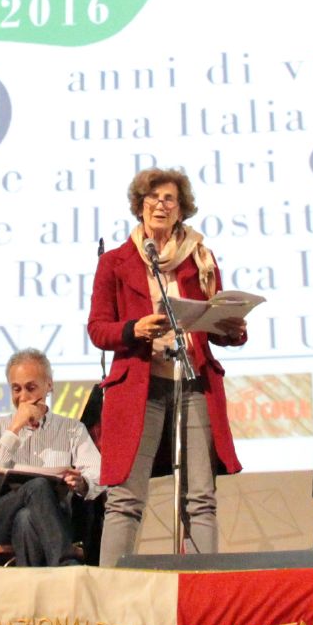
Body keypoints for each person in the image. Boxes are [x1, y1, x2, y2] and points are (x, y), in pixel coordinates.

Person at [87, 166, 247, 566]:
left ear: (181, 209)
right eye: (153, 198)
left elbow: (213, 327)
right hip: (139, 388)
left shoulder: (200, 259)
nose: (160, 205)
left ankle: (201, 586)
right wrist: (134, 329)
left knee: (200, 497)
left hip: (193, 384)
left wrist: (230, 328)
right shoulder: (115, 262)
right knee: (125, 498)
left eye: (169, 199)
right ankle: (113, 586)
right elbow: (98, 329)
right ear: (139, 206)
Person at [0, 348, 102, 566]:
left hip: (53, 519)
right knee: (38, 485)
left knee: (26, 519)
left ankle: (33, 585)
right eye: (16, 389)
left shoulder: (71, 429)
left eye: (31, 388)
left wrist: (82, 482)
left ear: (49, 385)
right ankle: (65, 564)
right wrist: (14, 429)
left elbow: (98, 473)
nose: (23, 397)